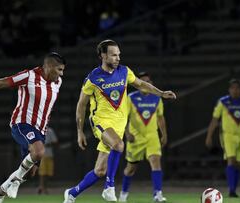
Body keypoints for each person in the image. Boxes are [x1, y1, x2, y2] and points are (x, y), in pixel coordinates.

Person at [63, 39, 176, 203]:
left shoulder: (124, 71)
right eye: (113, 55)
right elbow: (81, 105)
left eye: (119, 55)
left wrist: (161, 93)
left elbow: (141, 84)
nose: (117, 58)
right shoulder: (93, 78)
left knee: (100, 170)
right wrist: (80, 131)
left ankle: (72, 193)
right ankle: (109, 187)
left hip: (118, 125)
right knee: (119, 145)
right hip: (100, 121)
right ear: (103, 56)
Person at [0, 52, 66, 203]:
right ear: (48, 66)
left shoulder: (58, 82)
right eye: (59, 69)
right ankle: (15, 182)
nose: (61, 74)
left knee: (30, 174)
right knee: (39, 151)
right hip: (22, 124)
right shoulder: (29, 76)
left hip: (40, 131)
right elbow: (1, 83)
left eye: (63, 70)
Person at [205, 78, 240, 198]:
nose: (234, 90)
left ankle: (234, 189)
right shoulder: (223, 102)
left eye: (237, 88)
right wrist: (209, 136)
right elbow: (215, 120)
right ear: (229, 89)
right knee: (231, 160)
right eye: (232, 88)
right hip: (227, 136)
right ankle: (231, 191)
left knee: (238, 163)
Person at [118, 72, 168, 202]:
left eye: (148, 81)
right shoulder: (131, 98)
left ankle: (158, 194)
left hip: (152, 137)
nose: (145, 84)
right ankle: (123, 194)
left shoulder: (157, 98)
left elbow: (160, 118)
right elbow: (124, 117)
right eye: (143, 82)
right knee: (130, 169)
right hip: (136, 138)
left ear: (151, 84)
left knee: (156, 162)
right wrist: (127, 134)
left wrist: (164, 134)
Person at [37, 125, 58, 194]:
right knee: (42, 173)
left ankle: (43, 187)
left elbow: (55, 141)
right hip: (42, 155)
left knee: (48, 173)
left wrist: (47, 144)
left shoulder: (50, 131)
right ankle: (42, 188)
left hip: (49, 154)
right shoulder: (38, 131)